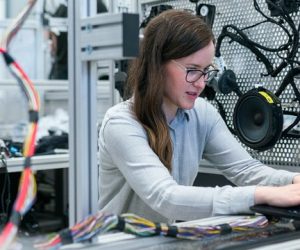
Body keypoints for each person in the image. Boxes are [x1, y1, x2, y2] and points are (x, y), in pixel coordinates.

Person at [98, 9, 300, 223]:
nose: (201, 83)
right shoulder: (121, 123)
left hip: (164, 240)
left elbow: (246, 169)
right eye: (192, 69)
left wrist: (293, 180)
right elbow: (167, 198)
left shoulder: (201, 114)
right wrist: (263, 195)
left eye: (206, 71)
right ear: (157, 65)